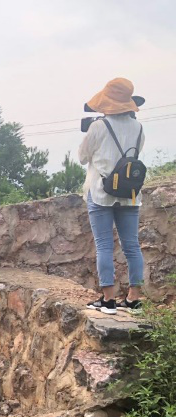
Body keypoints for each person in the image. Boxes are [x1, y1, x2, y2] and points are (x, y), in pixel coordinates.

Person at [79, 78, 146, 315]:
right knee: (132, 246)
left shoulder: (99, 127)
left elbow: (82, 157)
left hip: (100, 192)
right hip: (129, 194)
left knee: (104, 245)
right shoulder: (138, 127)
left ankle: (108, 300)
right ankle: (134, 299)